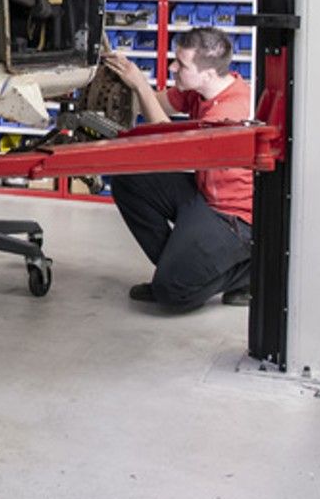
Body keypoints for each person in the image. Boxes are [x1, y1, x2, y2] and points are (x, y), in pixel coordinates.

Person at [102, 26, 254, 311]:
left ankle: (248, 272)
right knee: (128, 181)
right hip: (204, 194)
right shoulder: (199, 90)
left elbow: (172, 147)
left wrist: (141, 85)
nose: (172, 67)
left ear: (208, 73)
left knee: (173, 295)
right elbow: (154, 103)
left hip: (232, 217)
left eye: (181, 64)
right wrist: (121, 81)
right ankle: (176, 272)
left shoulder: (230, 111)